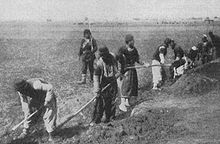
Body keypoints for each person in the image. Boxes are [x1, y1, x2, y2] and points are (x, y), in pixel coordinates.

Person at [116, 34, 145, 112]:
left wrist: (143, 64)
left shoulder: (134, 50)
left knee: (132, 85)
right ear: (128, 42)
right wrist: (120, 70)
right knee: (126, 86)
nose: (133, 42)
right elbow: (118, 59)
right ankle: (122, 104)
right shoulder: (122, 49)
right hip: (125, 70)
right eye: (132, 41)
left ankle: (127, 101)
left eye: (133, 40)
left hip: (132, 69)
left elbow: (137, 58)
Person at [91, 46, 118, 125]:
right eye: (103, 56)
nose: (104, 57)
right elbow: (96, 77)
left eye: (106, 55)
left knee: (112, 100)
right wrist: (97, 89)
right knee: (100, 102)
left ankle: (110, 118)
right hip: (104, 82)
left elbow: (117, 67)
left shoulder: (113, 57)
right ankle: (96, 119)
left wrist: (118, 73)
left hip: (112, 81)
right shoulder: (99, 63)